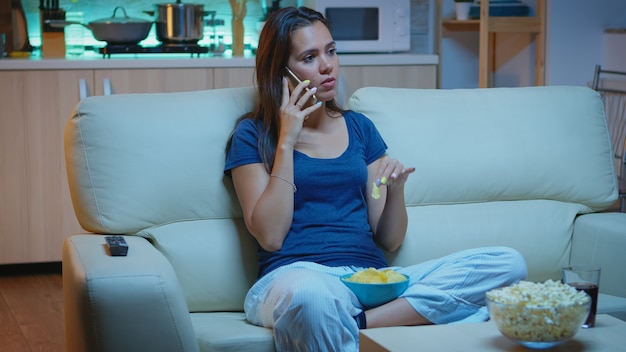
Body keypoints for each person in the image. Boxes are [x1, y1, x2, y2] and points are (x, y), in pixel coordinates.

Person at [224, 6, 527, 352]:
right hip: (295, 279)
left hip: (370, 282)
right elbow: (271, 236)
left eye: (331, 51)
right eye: (310, 57)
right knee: (311, 296)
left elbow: (390, 240)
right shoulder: (253, 135)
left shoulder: (360, 128)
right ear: (280, 72)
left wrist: (396, 191)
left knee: (506, 263)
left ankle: (357, 324)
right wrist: (287, 140)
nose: (327, 66)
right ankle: (360, 322)